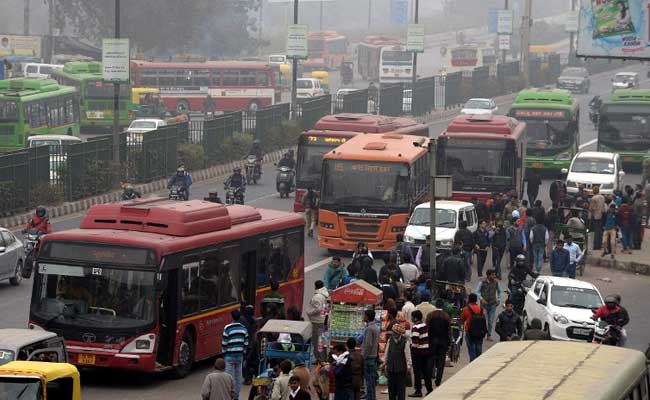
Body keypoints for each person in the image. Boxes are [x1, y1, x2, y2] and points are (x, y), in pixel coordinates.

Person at [222, 310, 249, 397]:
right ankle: (236, 396)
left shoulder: (227, 328)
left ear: (232, 317)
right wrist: (243, 352)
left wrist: (224, 353)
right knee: (238, 377)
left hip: (229, 356)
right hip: (239, 356)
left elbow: (224, 343)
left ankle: (228, 395)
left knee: (228, 377)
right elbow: (246, 343)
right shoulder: (244, 329)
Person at [383, 324, 412, 400]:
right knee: (391, 389)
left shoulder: (405, 342)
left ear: (399, 333)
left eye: (395, 332)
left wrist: (408, 366)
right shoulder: (390, 340)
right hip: (391, 368)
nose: (394, 334)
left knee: (401, 388)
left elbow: (407, 355)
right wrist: (385, 364)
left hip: (401, 368)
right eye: (393, 332)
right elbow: (387, 352)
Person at [428, 299, 451, 387]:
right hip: (443, 342)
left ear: (435, 305)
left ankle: (429, 377)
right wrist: (449, 343)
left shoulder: (430, 315)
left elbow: (427, 328)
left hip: (432, 341)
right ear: (442, 306)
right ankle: (438, 380)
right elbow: (449, 331)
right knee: (441, 362)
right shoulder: (446, 316)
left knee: (430, 360)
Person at [410, 310, 432, 397]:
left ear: (415, 318)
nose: (411, 318)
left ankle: (418, 390)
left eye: (412, 317)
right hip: (426, 351)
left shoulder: (416, 327)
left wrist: (411, 347)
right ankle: (429, 389)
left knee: (417, 372)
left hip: (418, 353)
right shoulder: (425, 325)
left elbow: (415, 342)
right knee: (425, 371)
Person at [306, 280, 329, 362]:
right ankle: (323, 358)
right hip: (323, 320)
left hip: (317, 321)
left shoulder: (317, 297)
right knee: (322, 341)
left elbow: (318, 308)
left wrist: (310, 312)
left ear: (315, 286)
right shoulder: (325, 294)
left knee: (317, 341)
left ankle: (320, 359)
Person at [460, 293, 487, 362]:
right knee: (479, 346)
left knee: (471, 347)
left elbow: (462, 320)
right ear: (476, 300)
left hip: (469, 331)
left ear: (469, 300)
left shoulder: (466, 309)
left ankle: (473, 361)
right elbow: (484, 318)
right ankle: (478, 360)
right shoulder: (481, 309)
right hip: (480, 331)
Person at [475, 269, 501, 341]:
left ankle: (489, 335)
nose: (494, 276)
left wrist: (498, 299)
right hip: (484, 305)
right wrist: (481, 299)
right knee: (483, 320)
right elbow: (477, 291)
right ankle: (481, 333)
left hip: (493, 304)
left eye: (494, 274)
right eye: (493, 275)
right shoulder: (482, 282)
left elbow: (499, 291)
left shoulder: (496, 282)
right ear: (489, 275)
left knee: (490, 321)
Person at [361, 309, 380, 400]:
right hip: (373, 357)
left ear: (368, 317)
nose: (363, 317)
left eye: (364, 315)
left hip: (368, 358)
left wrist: (363, 357)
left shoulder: (369, 329)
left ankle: (371, 398)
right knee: (371, 380)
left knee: (369, 381)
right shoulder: (376, 327)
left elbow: (368, 344)